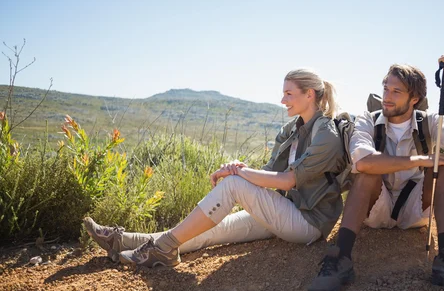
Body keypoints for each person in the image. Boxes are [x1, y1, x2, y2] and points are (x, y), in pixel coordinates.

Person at [84, 68, 347, 268]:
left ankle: (163, 248)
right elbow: (269, 174)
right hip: (283, 210)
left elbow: (288, 181)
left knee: (233, 184)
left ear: (309, 94)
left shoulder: (326, 133)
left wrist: (238, 174)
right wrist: (243, 168)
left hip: (307, 224)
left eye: (289, 93)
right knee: (209, 231)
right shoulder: (292, 129)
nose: (282, 99)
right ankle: (122, 241)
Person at [308, 54, 444, 291]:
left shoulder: (428, 122)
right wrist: (420, 159)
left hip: (415, 208)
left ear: (414, 98)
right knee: (367, 171)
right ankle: (340, 259)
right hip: (377, 208)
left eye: (396, 91)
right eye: (386, 88)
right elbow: (363, 161)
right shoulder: (368, 120)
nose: (387, 96)